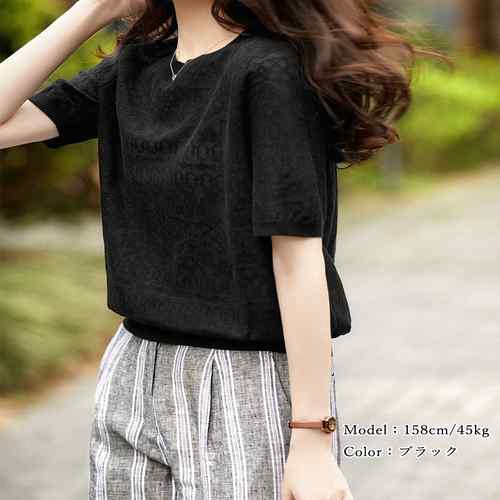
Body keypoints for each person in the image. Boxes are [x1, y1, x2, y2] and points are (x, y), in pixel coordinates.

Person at [0, 0, 421, 498]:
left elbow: (297, 259)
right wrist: (92, 10)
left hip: (241, 377)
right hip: (132, 365)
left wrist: (312, 437)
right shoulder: (136, 66)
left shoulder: (270, 71)